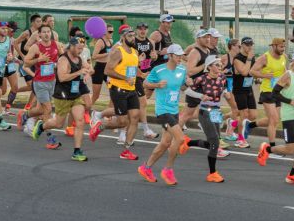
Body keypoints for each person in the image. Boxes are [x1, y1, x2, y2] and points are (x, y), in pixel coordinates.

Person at [256, 50, 294, 185]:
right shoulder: (288, 76)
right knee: (290, 149)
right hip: (289, 118)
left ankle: (292, 175)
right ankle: (267, 149)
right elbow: (274, 93)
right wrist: (290, 101)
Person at [31, 35, 93, 160]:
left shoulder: (79, 58)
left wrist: (88, 73)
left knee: (80, 121)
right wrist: (79, 72)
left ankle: (77, 152)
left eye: (82, 48)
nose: (80, 51)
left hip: (75, 94)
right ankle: (42, 126)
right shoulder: (63, 60)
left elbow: (90, 68)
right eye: (78, 48)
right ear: (71, 46)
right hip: (62, 94)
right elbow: (62, 77)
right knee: (59, 124)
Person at [88, 25, 141, 161]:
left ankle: (126, 150)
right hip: (118, 89)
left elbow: (132, 68)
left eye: (133, 35)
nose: (133, 38)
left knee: (135, 117)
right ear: (123, 37)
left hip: (131, 89)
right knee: (122, 122)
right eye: (130, 36)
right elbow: (107, 71)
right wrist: (125, 78)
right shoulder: (118, 51)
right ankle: (101, 126)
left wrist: (142, 75)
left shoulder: (135, 52)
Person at [137, 44, 187, 186]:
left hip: (174, 110)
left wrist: (188, 84)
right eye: (177, 55)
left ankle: (146, 168)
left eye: (181, 55)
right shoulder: (158, 70)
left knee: (165, 143)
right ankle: (168, 170)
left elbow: (182, 86)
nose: (180, 58)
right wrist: (157, 85)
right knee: (180, 138)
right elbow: (145, 84)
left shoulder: (182, 70)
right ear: (169, 56)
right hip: (162, 110)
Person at [185, 55, 229, 182]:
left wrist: (226, 93)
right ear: (209, 67)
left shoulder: (222, 77)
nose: (220, 67)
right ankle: (212, 173)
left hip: (216, 111)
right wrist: (201, 96)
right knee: (214, 141)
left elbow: (224, 87)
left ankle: (188, 143)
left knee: (214, 142)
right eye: (217, 64)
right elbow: (188, 91)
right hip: (205, 111)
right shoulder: (202, 79)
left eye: (220, 64)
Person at [23, 24, 61, 149]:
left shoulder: (56, 45)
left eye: (48, 32)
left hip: (52, 81)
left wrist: (57, 64)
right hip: (40, 83)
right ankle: (50, 138)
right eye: (44, 32)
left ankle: (26, 115)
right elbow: (26, 62)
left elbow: (63, 58)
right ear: (39, 34)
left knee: (40, 110)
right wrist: (39, 60)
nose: (46, 34)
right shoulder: (36, 47)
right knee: (48, 109)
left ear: (51, 33)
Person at [246, 38, 287, 150]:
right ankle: (272, 148)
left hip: (278, 92)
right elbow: (252, 71)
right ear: (273, 46)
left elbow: (284, 71)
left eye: (284, 47)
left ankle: (250, 125)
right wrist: (264, 75)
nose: (283, 49)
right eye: (281, 47)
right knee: (274, 120)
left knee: (273, 119)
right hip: (267, 91)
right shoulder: (265, 58)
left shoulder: (284, 57)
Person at [90, 23, 113, 106]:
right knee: (96, 96)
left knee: (113, 92)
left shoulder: (110, 41)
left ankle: (109, 112)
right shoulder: (100, 42)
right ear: (104, 32)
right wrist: (107, 54)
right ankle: (86, 110)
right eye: (110, 31)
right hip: (99, 70)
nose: (112, 33)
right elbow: (94, 56)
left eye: (112, 31)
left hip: (107, 70)